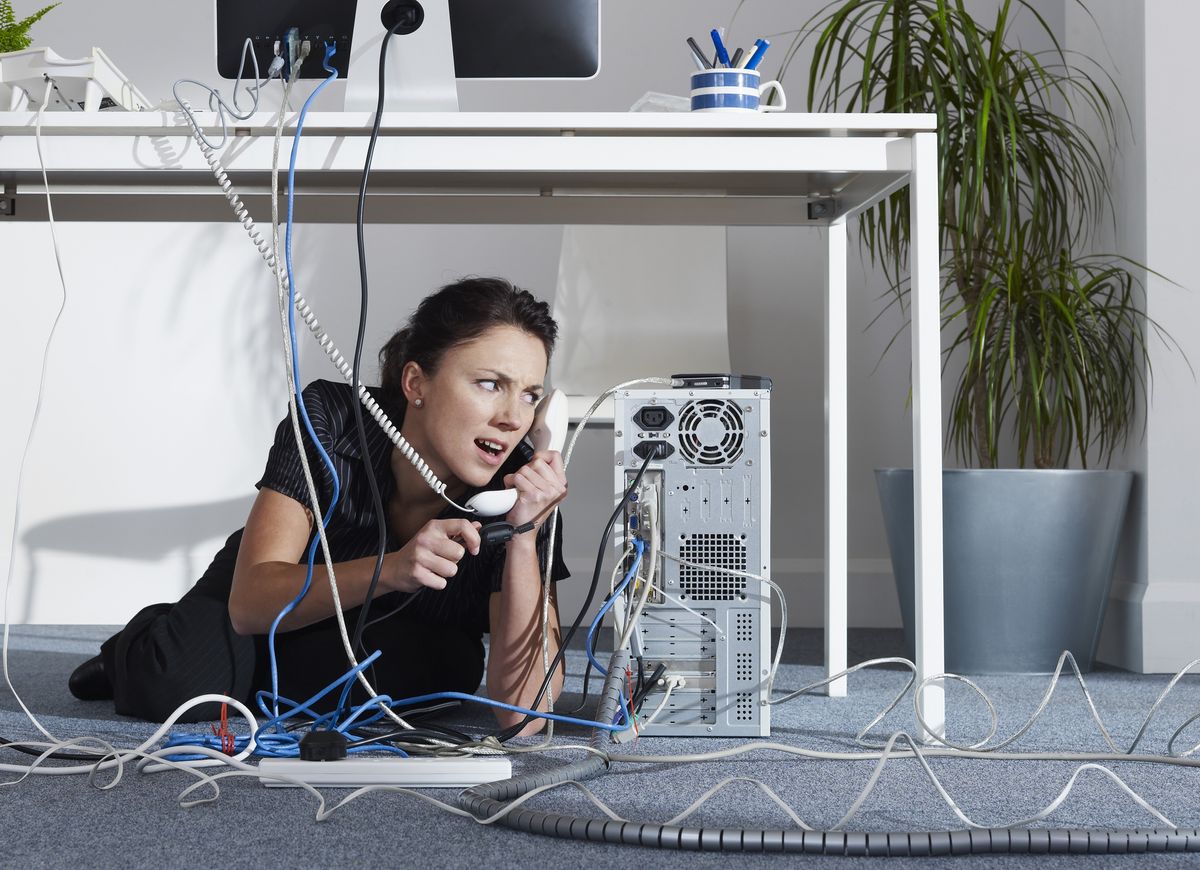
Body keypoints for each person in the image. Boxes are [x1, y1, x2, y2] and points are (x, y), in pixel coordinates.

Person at [68, 277, 569, 737]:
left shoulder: (527, 495)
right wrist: (393, 568)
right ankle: (135, 651)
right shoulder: (332, 420)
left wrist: (525, 535)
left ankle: (253, 673)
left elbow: (524, 715)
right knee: (178, 686)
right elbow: (249, 604)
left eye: (529, 396)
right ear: (416, 384)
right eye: (489, 384)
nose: (511, 418)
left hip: (401, 629)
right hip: (274, 585)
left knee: (410, 680)